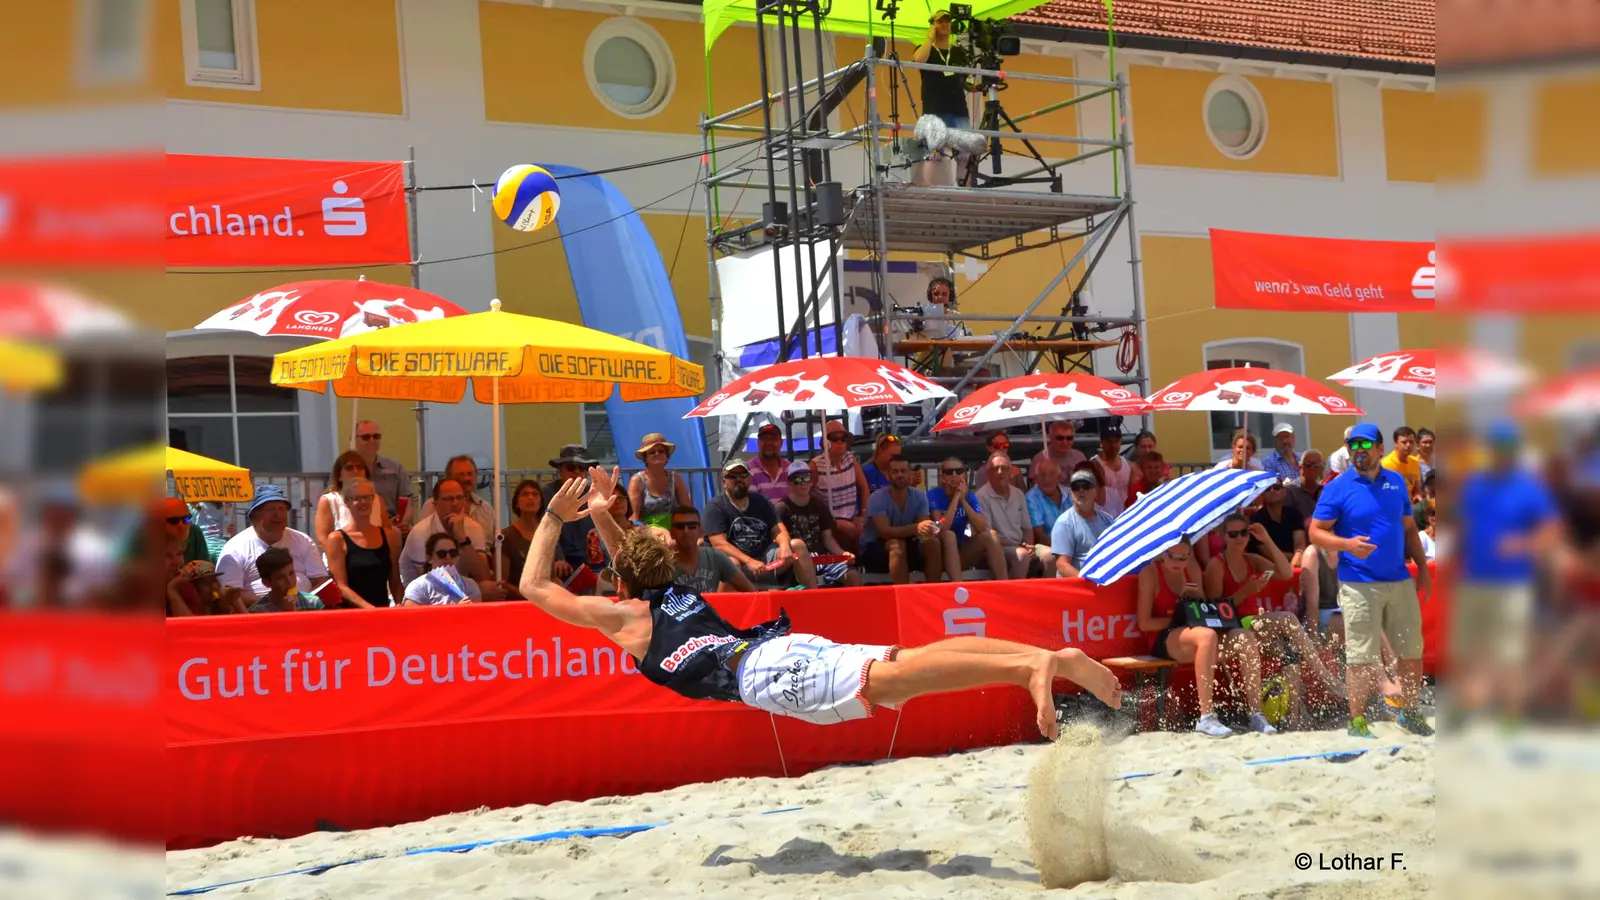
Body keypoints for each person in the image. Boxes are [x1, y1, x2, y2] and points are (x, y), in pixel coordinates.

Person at [519, 468, 1122, 741]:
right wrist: (600, 510)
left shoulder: (632, 618)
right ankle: (1051, 656)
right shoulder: (674, 587)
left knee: (896, 682)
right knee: (906, 662)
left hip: (769, 670)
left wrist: (553, 517)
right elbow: (630, 556)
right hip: (778, 649)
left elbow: (535, 589)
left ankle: (1028, 669)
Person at [1308, 422, 1435, 738]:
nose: (1359, 450)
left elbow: (1408, 528)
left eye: (1366, 445)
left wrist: (1422, 567)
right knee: (1361, 656)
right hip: (1358, 582)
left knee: (1411, 652)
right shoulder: (1337, 486)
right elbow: (1315, 532)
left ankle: (1409, 713)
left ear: (1380, 449)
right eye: (1354, 445)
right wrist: (1348, 544)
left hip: (1399, 579)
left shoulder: (1395, 482)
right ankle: (1358, 720)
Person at [1454, 420, 1562, 722]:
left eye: (1506, 448)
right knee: (1466, 650)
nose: (1501, 453)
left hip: (1513, 584)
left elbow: (1553, 532)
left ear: (1515, 452)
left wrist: (1524, 544)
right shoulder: (1475, 484)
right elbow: (1464, 526)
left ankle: (1512, 716)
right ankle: (1469, 711)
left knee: (1511, 653)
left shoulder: (1529, 488)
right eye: (1496, 448)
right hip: (1473, 580)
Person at [1136, 540, 1268, 737]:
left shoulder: (1193, 570)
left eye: (1183, 557)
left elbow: (1205, 614)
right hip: (1163, 637)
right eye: (1172, 556)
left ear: (1190, 556)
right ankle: (1206, 716)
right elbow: (1144, 623)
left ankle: (1256, 714)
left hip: (1193, 633)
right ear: (1163, 552)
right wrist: (1178, 616)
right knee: (1206, 636)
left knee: (1244, 636)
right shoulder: (1150, 573)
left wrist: (1196, 598)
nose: (1178, 562)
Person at [705, 459, 815, 588]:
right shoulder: (715, 506)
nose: (738, 479)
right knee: (732, 563)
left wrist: (785, 546)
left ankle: (813, 599)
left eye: (743, 475)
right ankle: (724, 607)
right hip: (739, 566)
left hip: (766, 562)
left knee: (797, 545)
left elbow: (778, 529)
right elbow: (719, 544)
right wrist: (749, 561)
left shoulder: (761, 501)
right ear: (724, 482)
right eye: (732, 476)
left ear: (749, 479)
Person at [216, 485, 328, 601]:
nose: (278, 515)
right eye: (270, 509)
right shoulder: (235, 549)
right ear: (254, 516)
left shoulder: (303, 541)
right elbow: (230, 595)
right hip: (258, 614)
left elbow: (321, 581)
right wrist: (273, 603)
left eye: (281, 509)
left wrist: (306, 603)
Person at [400, 477, 495, 591]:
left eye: (459, 497)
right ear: (436, 504)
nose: (455, 503)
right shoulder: (420, 533)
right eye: (448, 499)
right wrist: (472, 591)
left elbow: (483, 576)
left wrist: (462, 539)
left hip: (458, 588)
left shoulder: (474, 528)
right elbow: (429, 584)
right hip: (421, 594)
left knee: (489, 587)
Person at [776, 461, 861, 588]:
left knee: (853, 576)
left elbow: (828, 539)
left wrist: (842, 554)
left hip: (822, 557)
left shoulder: (820, 505)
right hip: (797, 559)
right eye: (796, 480)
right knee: (808, 580)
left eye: (806, 478)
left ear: (811, 481)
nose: (802, 483)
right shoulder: (781, 508)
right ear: (789, 483)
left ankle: (854, 608)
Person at [861, 456, 943, 583]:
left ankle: (934, 593)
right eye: (895, 471)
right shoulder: (876, 498)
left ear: (910, 474)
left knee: (933, 542)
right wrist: (916, 528)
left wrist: (928, 531)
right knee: (897, 545)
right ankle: (903, 597)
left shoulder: (920, 496)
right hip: (876, 550)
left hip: (909, 545)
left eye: (903, 471)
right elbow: (884, 532)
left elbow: (924, 530)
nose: (899, 475)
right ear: (887, 475)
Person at [927, 456, 1009, 582]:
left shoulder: (969, 496)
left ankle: (1004, 584)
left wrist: (964, 501)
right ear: (942, 478)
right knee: (949, 535)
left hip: (960, 553)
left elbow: (982, 528)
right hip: (938, 557)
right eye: (949, 472)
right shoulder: (934, 494)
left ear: (964, 475)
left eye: (958, 471)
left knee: (990, 536)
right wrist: (956, 498)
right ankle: (959, 588)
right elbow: (942, 528)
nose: (954, 475)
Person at [323, 477, 401, 608]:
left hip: (383, 612)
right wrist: (368, 608)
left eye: (367, 497)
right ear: (346, 502)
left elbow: (395, 580)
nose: (363, 502)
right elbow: (341, 586)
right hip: (352, 615)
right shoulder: (337, 539)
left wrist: (399, 603)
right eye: (356, 498)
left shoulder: (388, 536)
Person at [545, 445, 603, 583]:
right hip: (560, 562)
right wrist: (558, 558)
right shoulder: (549, 492)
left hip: (590, 561)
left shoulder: (593, 493)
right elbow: (546, 527)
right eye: (571, 467)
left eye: (581, 468)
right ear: (560, 470)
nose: (576, 471)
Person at [810, 419, 871, 552]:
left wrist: (863, 514)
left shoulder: (850, 458)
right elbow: (806, 496)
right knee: (848, 535)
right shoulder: (815, 465)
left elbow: (864, 488)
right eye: (834, 438)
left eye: (842, 438)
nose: (839, 442)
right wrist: (832, 522)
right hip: (828, 522)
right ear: (826, 442)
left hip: (852, 517)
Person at [669, 506, 757, 594]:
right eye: (680, 527)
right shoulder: (663, 564)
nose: (686, 531)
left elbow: (752, 591)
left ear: (701, 532)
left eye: (692, 526)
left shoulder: (715, 557)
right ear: (671, 533)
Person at [975, 453, 1035, 578]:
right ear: (988, 474)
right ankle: (1013, 595)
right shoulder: (981, 496)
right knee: (1022, 555)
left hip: (1020, 545)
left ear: (1010, 472)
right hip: (997, 548)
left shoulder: (1018, 494)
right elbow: (987, 534)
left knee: (1049, 555)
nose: (1000, 472)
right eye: (995, 469)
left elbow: (1027, 528)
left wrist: (1029, 545)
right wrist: (1017, 546)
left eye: (1004, 468)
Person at [314, 451, 391, 548]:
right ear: (339, 475)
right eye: (349, 468)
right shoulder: (329, 500)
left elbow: (387, 532)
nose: (355, 471)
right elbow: (323, 539)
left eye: (359, 467)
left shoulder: (377, 500)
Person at [912, 11, 973, 130]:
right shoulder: (925, 49)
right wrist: (930, 37)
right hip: (935, 110)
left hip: (959, 110)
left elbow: (967, 83)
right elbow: (918, 61)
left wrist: (982, 85)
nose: (945, 24)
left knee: (963, 146)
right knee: (938, 147)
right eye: (940, 21)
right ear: (932, 26)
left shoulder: (959, 52)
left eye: (948, 21)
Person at [1051, 469, 1115, 578]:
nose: (1081, 490)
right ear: (1071, 493)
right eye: (1076, 487)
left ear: (1095, 491)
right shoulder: (1064, 523)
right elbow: (1062, 565)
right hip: (1077, 586)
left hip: (1104, 580)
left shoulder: (1108, 519)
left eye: (1086, 486)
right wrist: (1087, 582)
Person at [352, 419, 412, 528]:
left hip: (393, 528)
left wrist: (404, 523)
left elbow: (407, 501)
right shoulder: (347, 470)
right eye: (366, 437)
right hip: (359, 528)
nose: (372, 440)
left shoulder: (395, 468)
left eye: (376, 436)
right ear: (353, 440)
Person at [628, 433, 693, 531]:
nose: (657, 454)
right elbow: (633, 516)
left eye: (661, 451)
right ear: (645, 458)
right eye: (652, 452)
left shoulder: (675, 478)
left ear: (667, 456)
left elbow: (687, 509)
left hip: (675, 530)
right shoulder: (637, 480)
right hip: (647, 532)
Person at [420, 455, 497, 535]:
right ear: (449, 477)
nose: (466, 478)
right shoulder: (432, 506)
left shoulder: (486, 509)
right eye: (461, 474)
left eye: (469, 474)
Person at [402, 533, 483, 605]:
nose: (448, 557)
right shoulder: (419, 586)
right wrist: (453, 611)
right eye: (442, 554)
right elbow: (411, 617)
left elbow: (477, 616)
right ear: (429, 558)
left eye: (452, 553)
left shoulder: (469, 584)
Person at [499, 479, 546, 591]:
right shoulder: (506, 536)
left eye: (535, 494)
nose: (530, 498)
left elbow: (552, 576)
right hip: (519, 600)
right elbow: (502, 582)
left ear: (541, 502)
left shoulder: (546, 534)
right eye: (525, 494)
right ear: (517, 503)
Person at [248, 548, 326, 613]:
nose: (289, 581)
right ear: (266, 582)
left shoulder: (313, 603)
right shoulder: (258, 611)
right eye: (281, 577)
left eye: (291, 573)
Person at [1251, 480, 1308, 569]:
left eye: (1276, 487)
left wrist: (1298, 554)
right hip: (1268, 567)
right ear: (1262, 495)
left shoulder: (1294, 514)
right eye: (1267, 489)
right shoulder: (1256, 520)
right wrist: (1292, 556)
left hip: (1295, 564)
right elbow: (1267, 553)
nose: (1272, 490)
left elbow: (1299, 540)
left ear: (1284, 491)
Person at [1025, 458, 1069, 555]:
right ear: (1036, 478)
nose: (1047, 479)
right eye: (1043, 475)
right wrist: (1066, 550)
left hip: (1072, 544)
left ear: (1059, 478)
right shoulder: (1031, 498)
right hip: (1047, 546)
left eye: (1051, 475)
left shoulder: (1070, 494)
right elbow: (1040, 535)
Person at [747, 424, 793, 504]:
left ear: (781, 442)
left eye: (773, 439)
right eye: (764, 439)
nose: (768, 443)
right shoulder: (747, 470)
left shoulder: (790, 469)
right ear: (758, 442)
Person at [1090, 428, 1132, 516]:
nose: (1113, 445)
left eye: (1116, 441)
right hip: (1102, 518)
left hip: (1125, 515)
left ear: (1120, 442)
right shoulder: (1094, 465)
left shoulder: (1128, 465)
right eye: (1109, 441)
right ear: (1101, 443)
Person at [1382, 426, 1425, 502]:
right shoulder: (1387, 464)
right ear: (1395, 444)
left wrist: (1417, 496)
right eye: (1404, 442)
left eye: (1411, 442)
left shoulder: (1414, 461)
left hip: (1411, 507)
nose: (1408, 445)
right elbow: (1388, 493)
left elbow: (1417, 489)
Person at [1286, 451, 1326, 519]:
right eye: (1308, 465)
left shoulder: (1325, 491)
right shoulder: (1290, 491)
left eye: (1316, 466)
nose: (1312, 469)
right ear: (1300, 467)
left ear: (1321, 470)